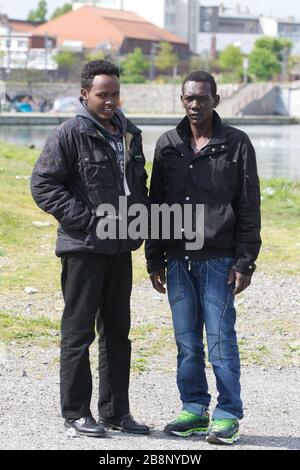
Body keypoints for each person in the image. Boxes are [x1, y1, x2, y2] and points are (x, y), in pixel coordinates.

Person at [31, 60, 150, 438]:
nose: (110, 101)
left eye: (115, 93)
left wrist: (140, 221)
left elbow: (138, 184)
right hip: (83, 248)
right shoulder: (68, 134)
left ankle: (116, 412)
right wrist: (85, 219)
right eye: (103, 94)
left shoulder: (129, 134)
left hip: (120, 249)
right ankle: (76, 413)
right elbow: (43, 185)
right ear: (85, 94)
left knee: (118, 333)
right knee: (79, 332)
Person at [145, 71, 261, 445]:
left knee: (221, 341)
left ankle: (228, 414)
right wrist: (153, 258)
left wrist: (245, 261)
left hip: (219, 259)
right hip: (178, 260)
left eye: (202, 98)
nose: (195, 105)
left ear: (216, 99)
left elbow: (248, 205)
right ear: (181, 100)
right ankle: (194, 409)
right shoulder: (167, 144)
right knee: (187, 342)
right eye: (188, 98)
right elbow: (156, 205)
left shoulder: (236, 144)